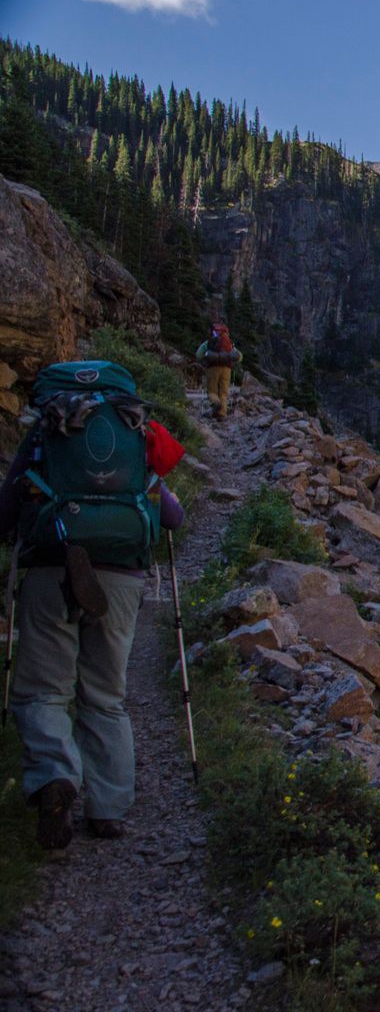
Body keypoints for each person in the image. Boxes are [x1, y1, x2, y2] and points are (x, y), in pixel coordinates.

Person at [0, 361, 185, 849]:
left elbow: (6, 508)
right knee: (106, 694)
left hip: (51, 567)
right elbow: (173, 516)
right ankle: (108, 810)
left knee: (43, 690)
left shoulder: (46, 433)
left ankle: (56, 777)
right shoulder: (133, 432)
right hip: (121, 576)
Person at [195, 323, 242, 420]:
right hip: (227, 369)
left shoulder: (209, 342)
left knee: (212, 391)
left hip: (213, 368)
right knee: (224, 393)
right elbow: (240, 357)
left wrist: (206, 357)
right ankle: (222, 414)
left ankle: (216, 403)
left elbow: (198, 354)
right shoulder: (229, 343)